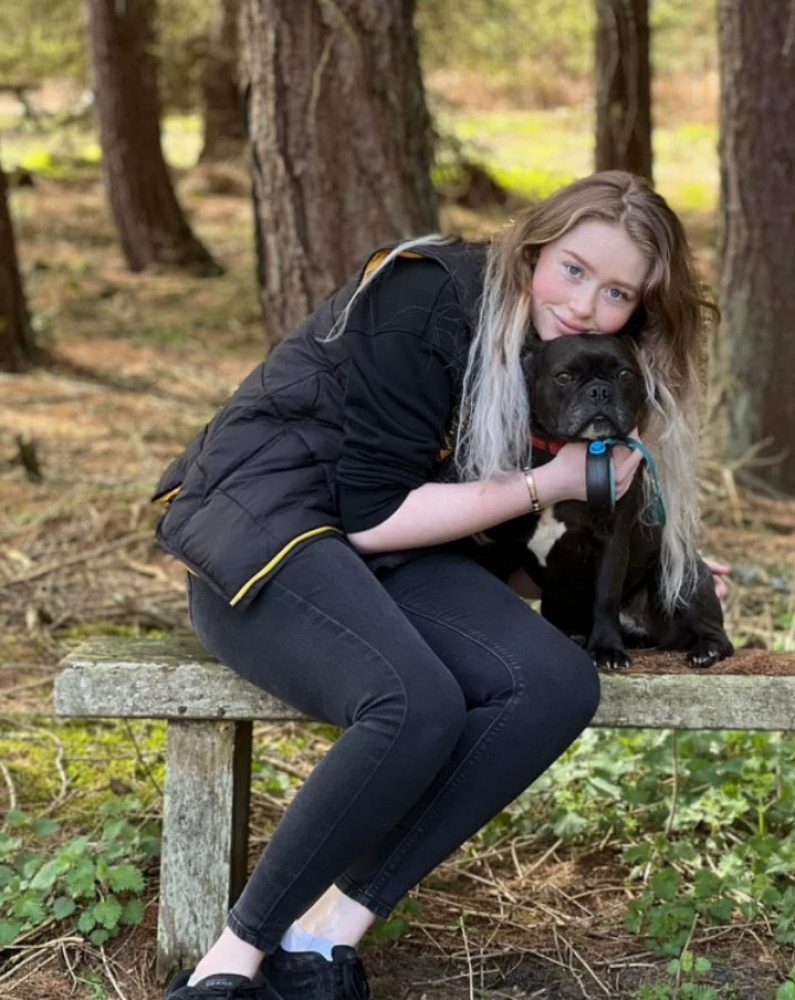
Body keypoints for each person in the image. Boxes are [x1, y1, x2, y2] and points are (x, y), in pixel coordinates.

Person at [155, 171, 727, 1000]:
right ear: (534, 247)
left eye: (615, 293)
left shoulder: (555, 360)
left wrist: (648, 569)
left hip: (400, 556)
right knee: (412, 701)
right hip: (269, 537)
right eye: (571, 268)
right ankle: (227, 967)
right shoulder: (427, 296)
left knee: (554, 683)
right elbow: (373, 515)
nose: (582, 304)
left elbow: (489, 525)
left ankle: (320, 942)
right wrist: (551, 484)